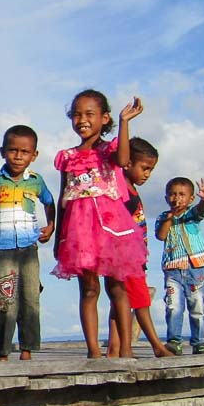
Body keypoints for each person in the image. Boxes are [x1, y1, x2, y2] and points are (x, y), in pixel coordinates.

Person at [53, 90, 147, 358]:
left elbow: (123, 160)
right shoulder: (67, 157)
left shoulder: (110, 150)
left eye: (89, 114)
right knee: (89, 289)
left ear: (104, 118)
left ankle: (126, 349)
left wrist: (125, 121)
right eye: (77, 114)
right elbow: (64, 199)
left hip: (111, 228)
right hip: (79, 232)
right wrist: (60, 236)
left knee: (117, 287)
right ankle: (93, 351)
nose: (82, 120)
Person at [0, 125, 56, 361]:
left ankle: (27, 350)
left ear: (34, 155)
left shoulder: (36, 181)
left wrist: (51, 225)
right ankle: (3, 352)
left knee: (30, 298)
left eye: (24, 152)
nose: (18, 156)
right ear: (2, 151)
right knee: (4, 300)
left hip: (29, 247)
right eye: (13, 150)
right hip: (1, 248)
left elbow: (49, 201)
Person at [107, 138, 171, 357]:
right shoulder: (121, 189)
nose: (147, 174)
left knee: (119, 303)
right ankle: (157, 345)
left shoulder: (132, 190)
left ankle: (114, 348)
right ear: (127, 163)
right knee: (141, 302)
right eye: (144, 168)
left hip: (135, 258)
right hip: (125, 257)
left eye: (151, 170)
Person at [154, 176, 204, 355]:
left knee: (197, 305)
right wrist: (169, 219)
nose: (176, 198)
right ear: (166, 198)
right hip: (173, 270)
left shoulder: (191, 215)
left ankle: (199, 342)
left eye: (181, 194)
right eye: (172, 194)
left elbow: (201, 212)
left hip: (195, 268)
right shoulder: (163, 217)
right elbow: (161, 236)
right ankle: (174, 341)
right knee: (173, 306)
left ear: (190, 199)